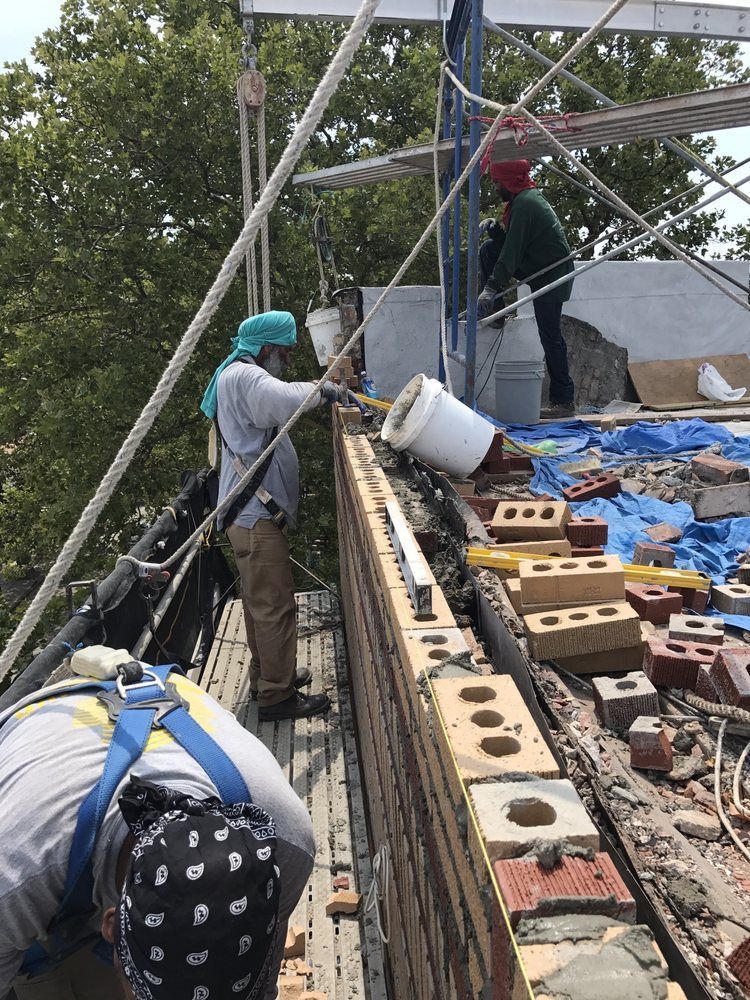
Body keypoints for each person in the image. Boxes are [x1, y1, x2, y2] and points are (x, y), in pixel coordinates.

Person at [0, 660, 315, 1000]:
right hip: (46, 731)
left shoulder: (284, 846)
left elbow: (262, 981)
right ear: (109, 926)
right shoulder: (17, 875)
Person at [201, 311, 340, 722]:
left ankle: (269, 676)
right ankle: (276, 698)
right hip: (254, 518)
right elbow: (283, 399)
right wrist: (325, 390)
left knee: (259, 603)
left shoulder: (235, 375)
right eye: (285, 352)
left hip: (247, 517)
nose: (287, 362)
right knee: (275, 606)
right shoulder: (245, 377)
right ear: (266, 349)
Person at [478, 159, 576, 418]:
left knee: (550, 336)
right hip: (536, 265)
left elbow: (512, 252)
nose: (496, 187)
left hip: (553, 275)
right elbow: (512, 242)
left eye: (498, 182)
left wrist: (490, 287)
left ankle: (563, 401)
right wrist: (497, 231)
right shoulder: (522, 200)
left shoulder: (526, 204)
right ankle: (496, 314)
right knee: (489, 248)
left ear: (510, 180)